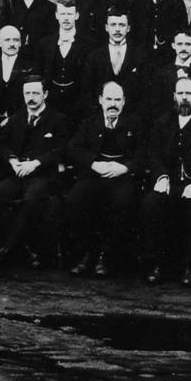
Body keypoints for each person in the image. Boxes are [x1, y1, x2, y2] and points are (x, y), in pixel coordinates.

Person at [0, 75, 68, 268]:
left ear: (45, 94)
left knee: (31, 200)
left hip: (42, 174)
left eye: (36, 93)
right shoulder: (16, 119)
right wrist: (12, 160)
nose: (31, 97)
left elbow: (61, 149)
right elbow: (0, 144)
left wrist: (36, 163)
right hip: (18, 172)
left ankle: (7, 250)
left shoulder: (58, 119)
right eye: (27, 93)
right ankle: (25, 249)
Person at [139, 76, 191, 286]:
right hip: (171, 182)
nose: (185, 98)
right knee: (151, 203)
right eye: (181, 93)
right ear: (174, 96)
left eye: (189, 93)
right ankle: (155, 264)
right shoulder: (162, 123)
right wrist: (162, 176)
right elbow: (153, 154)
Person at [65, 80, 143, 277]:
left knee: (123, 203)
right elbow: (73, 148)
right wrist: (93, 164)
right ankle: (86, 253)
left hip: (121, 177)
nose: (113, 104)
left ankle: (105, 256)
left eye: (118, 99)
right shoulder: (89, 123)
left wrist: (125, 167)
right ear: (100, 100)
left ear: (124, 102)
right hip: (94, 175)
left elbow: (143, 153)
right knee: (75, 200)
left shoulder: (134, 123)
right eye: (109, 99)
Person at [35, 0, 91, 120]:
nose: (66, 18)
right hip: (51, 102)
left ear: (76, 16)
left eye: (70, 14)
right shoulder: (45, 44)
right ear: (56, 15)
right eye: (62, 14)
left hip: (77, 103)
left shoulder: (87, 45)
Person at [80, 6, 143, 112]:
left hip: (131, 116)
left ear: (128, 28)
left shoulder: (140, 56)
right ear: (106, 27)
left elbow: (144, 93)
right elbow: (87, 92)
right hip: (101, 116)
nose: (117, 29)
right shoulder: (94, 57)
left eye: (122, 25)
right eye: (113, 25)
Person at [129, 0, 189, 69]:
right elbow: (131, 34)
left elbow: (183, 32)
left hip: (168, 62)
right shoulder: (137, 3)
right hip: (142, 62)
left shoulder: (177, 3)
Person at [0, 0, 57, 64]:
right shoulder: (10, 7)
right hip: (14, 63)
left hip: (40, 63)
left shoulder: (50, 8)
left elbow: (53, 40)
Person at [146, 30, 191, 120]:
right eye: (179, 44)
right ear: (173, 45)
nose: (183, 48)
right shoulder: (161, 73)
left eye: (188, 44)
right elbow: (156, 104)